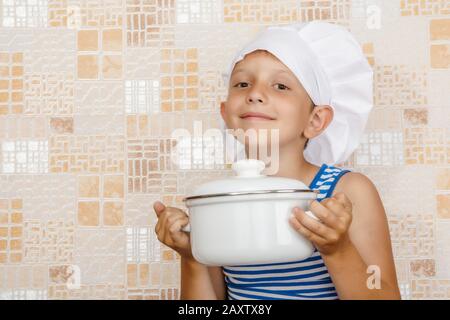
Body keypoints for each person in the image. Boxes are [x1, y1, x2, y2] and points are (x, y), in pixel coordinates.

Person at [153, 21, 401, 300]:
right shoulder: (218, 201)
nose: (255, 94)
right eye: (242, 83)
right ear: (225, 113)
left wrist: (338, 249)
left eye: (281, 85)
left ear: (315, 120)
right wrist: (191, 255)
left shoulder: (347, 192)